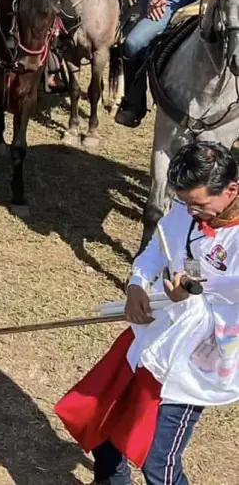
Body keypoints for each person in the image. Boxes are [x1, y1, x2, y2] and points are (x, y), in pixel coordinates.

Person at [56, 140, 239, 485]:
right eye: (185, 203)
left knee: (159, 462)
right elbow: (160, 246)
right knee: (103, 411)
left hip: (198, 358)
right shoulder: (186, 210)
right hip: (158, 333)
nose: (191, 212)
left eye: (199, 205)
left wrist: (193, 292)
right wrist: (138, 284)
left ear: (231, 190)